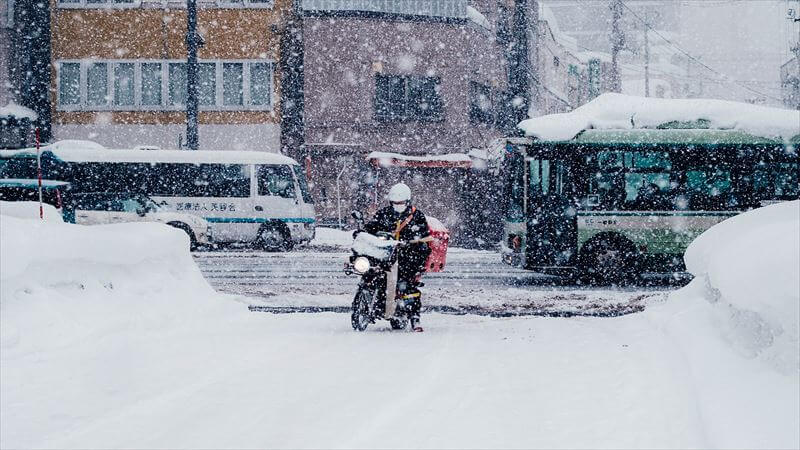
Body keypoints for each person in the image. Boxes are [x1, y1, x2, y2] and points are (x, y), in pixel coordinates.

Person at [364, 182, 432, 332]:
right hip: (385, 254)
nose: (398, 206)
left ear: (408, 201)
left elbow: (425, 238)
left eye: (401, 203)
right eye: (395, 203)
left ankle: (415, 317)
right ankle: (373, 303)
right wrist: (362, 232)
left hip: (408, 256)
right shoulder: (384, 213)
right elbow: (372, 227)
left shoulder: (417, 216)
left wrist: (413, 243)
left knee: (406, 284)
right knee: (372, 270)